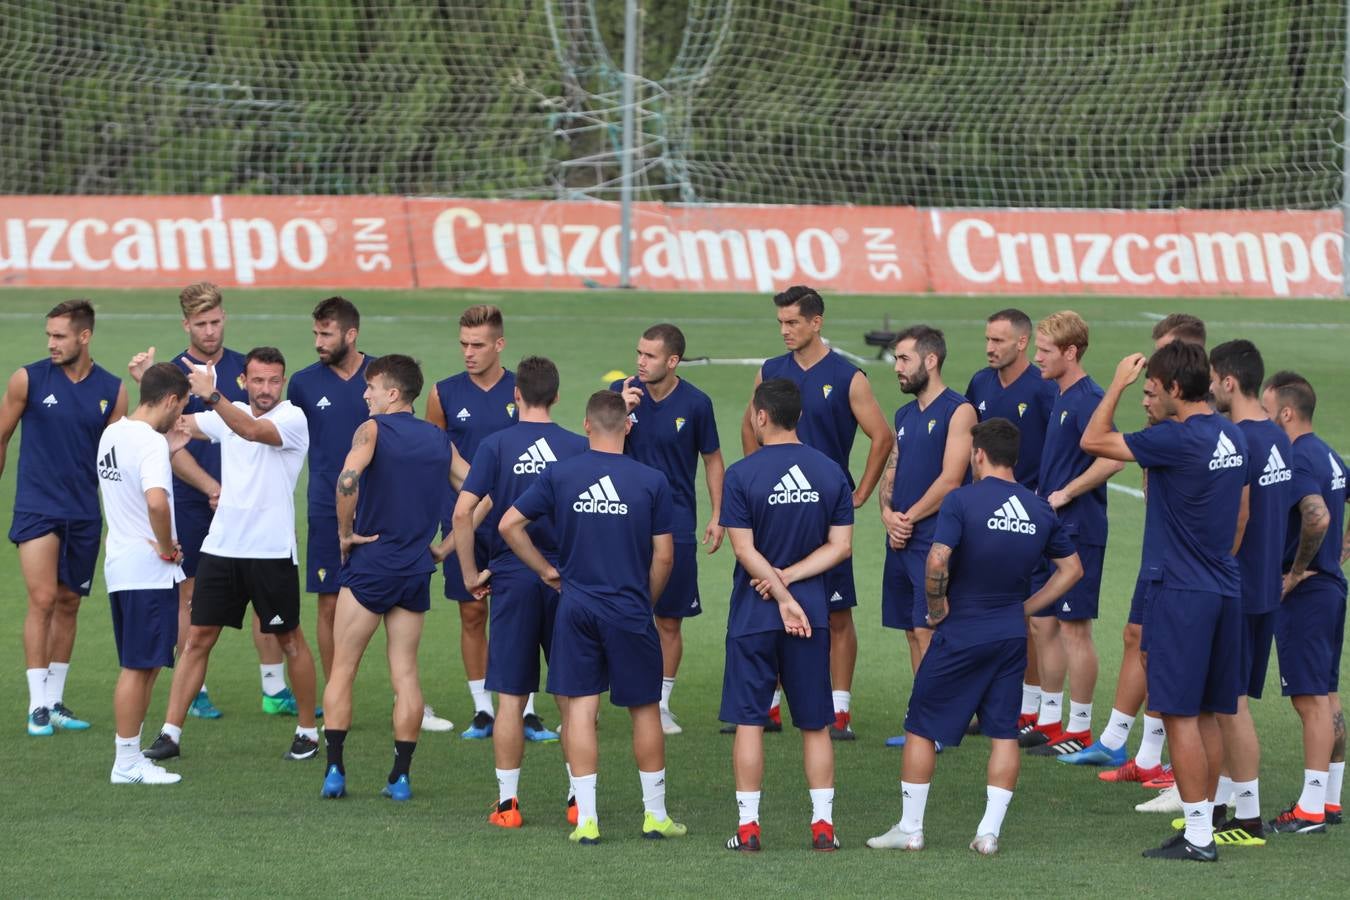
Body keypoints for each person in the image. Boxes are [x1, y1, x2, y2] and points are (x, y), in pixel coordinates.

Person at [867, 417, 1081, 855]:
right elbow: (1073, 569)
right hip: (1009, 636)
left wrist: (934, 609)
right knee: (1003, 732)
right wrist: (1027, 607)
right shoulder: (1039, 509)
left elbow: (936, 560)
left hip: (961, 631)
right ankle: (988, 833)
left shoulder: (962, 501)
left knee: (921, 726)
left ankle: (910, 828)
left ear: (978, 454)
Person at [1081, 341, 1248, 861]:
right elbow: (1241, 514)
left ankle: (1198, 837)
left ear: (1176, 389)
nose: (1148, 394)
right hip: (1225, 587)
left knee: (1177, 713)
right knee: (1205, 713)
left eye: (1155, 387)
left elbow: (1093, 439)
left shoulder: (1178, 439)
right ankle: (1208, 823)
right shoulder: (1233, 436)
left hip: (1182, 594)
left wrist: (1117, 382)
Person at [499, 390, 684, 845]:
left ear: (585, 425)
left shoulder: (560, 475)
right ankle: (655, 816)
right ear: (627, 426)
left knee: (580, 708)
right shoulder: (651, 480)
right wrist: (646, 599)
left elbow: (507, 525)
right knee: (644, 710)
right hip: (629, 609)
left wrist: (545, 571)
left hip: (576, 607)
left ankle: (586, 820)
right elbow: (664, 557)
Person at [143, 347, 320, 763]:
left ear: (283, 381)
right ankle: (170, 732)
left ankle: (308, 731)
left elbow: (253, 432)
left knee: (290, 638)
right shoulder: (228, 411)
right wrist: (149, 386)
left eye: (274, 380)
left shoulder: (291, 418)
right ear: (245, 381)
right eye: (257, 380)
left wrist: (214, 397)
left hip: (272, 552)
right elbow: (173, 422)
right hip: (222, 549)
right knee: (198, 640)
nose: (266, 388)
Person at [127, 282, 293, 721]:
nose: (210, 331)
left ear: (225, 317)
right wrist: (211, 488)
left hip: (251, 504)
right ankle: (195, 690)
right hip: (190, 496)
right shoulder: (172, 374)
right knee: (191, 595)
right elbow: (167, 440)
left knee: (264, 592)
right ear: (186, 325)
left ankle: (274, 688)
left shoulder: (247, 368)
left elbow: (265, 426)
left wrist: (233, 493)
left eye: (216, 321)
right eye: (200, 324)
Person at [738, 286, 891, 739]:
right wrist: (752, 480)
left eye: (793, 323)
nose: (785, 331)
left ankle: (838, 709)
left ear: (816, 322)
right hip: (772, 510)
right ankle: (768, 705)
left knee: (837, 612)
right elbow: (751, 424)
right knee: (766, 598)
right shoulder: (768, 371)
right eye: (781, 323)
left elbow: (881, 436)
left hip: (823, 513)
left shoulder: (849, 377)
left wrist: (859, 493)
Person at [451, 356, 589, 826]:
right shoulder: (577, 446)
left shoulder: (495, 445)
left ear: (516, 394)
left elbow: (462, 514)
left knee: (511, 695)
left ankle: (508, 805)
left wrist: (471, 573)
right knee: (572, 695)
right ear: (555, 395)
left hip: (510, 577)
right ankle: (577, 801)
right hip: (566, 579)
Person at [720, 379, 853, 853]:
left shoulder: (741, 474)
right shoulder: (831, 472)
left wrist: (776, 588)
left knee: (751, 722)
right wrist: (792, 584)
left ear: (760, 417)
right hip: (810, 614)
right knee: (815, 723)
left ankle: (749, 828)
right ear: (799, 417)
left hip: (755, 614)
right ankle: (822, 826)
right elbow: (841, 547)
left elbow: (742, 549)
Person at [319, 355, 451, 801]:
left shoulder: (373, 430)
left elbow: (347, 478)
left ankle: (335, 770)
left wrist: (344, 533)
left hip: (370, 566)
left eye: (371, 388)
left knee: (343, 669)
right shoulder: (438, 438)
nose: (365, 395)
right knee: (407, 676)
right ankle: (400, 776)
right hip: (415, 569)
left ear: (392, 393)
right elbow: (478, 493)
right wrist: (445, 547)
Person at [1175, 340, 1290, 844]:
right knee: (1225, 701)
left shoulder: (1237, 439)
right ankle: (1221, 807)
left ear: (1227, 382)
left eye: (1214, 377)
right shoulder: (1279, 437)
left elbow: (1237, 520)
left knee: (1230, 704)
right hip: (1263, 586)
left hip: (1236, 587)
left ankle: (1247, 816)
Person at [1097, 316, 1208, 808]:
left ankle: (1182, 784)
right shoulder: (1188, 423)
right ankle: (1145, 755)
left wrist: (1119, 385)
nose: (1153, 367)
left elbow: (1098, 442)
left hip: (1183, 568)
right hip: (1166, 553)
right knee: (1139, 642)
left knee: (1189, 689)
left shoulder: (1193, 425)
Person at [1, 299, 126, 735]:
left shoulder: (113, 389)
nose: (51, 343)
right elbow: (1, 436)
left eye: (60, 336)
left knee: (69, 602)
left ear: (84, 336)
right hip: (37, 509)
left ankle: (55, 701)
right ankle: (37, 705)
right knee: (42, 600)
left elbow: (116, 463)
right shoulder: (28, 379)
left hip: (83, 513)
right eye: (49, 335)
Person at [1017, 312, 1124, 757]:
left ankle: (1079, 729)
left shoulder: (1087, 399)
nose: (1037, 357)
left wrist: (1065, 493)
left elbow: (1113, 459)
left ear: (1071, 352)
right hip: (1055, 529)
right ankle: (1050, 719)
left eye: (1044, 351)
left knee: (1074, 628)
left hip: (1079, 529)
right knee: (1043, 622)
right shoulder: (1060, 394)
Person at [612, 324, 725, 735]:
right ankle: (611, 691)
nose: (640, 361)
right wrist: (619, 410)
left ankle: (659, 703)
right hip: (621, 521)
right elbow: (592, 445)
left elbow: (712, 458)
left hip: (675, 525)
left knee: (669, 620)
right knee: (615, 610)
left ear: (672, 361)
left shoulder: (696, 404)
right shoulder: (621, 396)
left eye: (650, 356)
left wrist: (718, 514)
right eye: (639, 353)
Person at [426, 304, 519, 739]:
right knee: (472, 613)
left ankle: (523, 707)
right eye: (463, 344)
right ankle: (483, 709)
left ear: (499, 344)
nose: (468, 352)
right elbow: (436, 454)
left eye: (478, 345)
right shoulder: (442, 394)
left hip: (517, 522)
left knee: (518, 614)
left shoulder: (522, 392)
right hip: (462, 520)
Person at [880, 325, 975, 745]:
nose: (897, 368)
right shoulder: (904, 415)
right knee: (910, 629)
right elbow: (893, 471)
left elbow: (952, 478)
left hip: (933, 539)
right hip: (900, 537)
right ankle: (923, 716)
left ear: (930, 360)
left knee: (930, 630)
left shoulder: (960, 411)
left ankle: (935, 723)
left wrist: (907, 519)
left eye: (904, 359)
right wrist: (886, 513)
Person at [965, 309, 1058, 734]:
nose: (989, 347)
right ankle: (989, 700)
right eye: (987, 338)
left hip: (1026, 518)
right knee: (985, 608)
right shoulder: (980, 384)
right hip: (982, 517)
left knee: (1031, 616)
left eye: (999, 341)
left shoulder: (1043, 389)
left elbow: (1066, 447)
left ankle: (1032, 705)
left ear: (1023, 343)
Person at [1262, 371, 1346, 834]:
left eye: (1268, 407)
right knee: (1327, 697)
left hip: (1309, 591)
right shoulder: (1330, 453)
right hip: (1332, 588)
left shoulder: (1295, 456)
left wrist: (1294, 572)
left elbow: (1316, 515)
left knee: (1309, 701)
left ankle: (1311, 809)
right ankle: (1329, 800)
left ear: (1286, 412)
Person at [98, 363, 191, 784]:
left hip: (121, 564)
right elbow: (156, 503)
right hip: (147, 571)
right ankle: (127, 762)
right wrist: (168, 546)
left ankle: (129, 757)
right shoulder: (151, 444)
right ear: (171, 400)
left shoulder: (113, 432)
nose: (181, 415)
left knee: (144, 664)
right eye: (182, 405)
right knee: (138, 667)